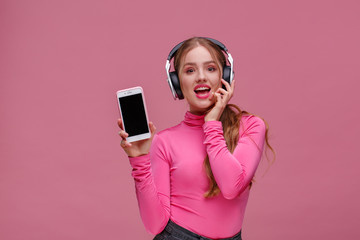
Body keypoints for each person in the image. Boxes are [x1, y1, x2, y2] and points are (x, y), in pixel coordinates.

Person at [118, 37, 273, 240]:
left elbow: (231, 187)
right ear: (177, 83)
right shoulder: (164, 141)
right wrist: (139, 162)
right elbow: (154, 224)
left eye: (210, 68)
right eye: (190, 71)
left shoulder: (251, 126)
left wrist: (211, 123)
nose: (201, 77)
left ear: (225, 75)